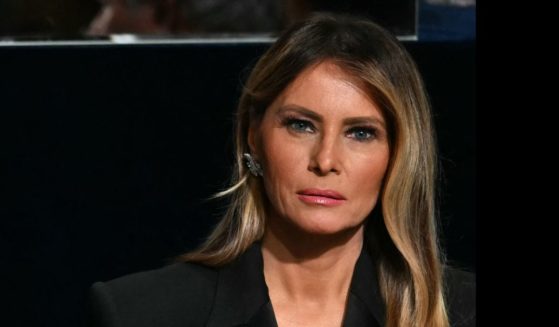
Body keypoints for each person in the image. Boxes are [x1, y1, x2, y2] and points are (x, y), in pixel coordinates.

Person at [87, 13, 475, 327]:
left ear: (398, 153)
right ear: (253, 136)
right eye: (300, 125)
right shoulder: (141, 313)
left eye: (360, 133)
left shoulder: (463, 310)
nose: (325, 161)